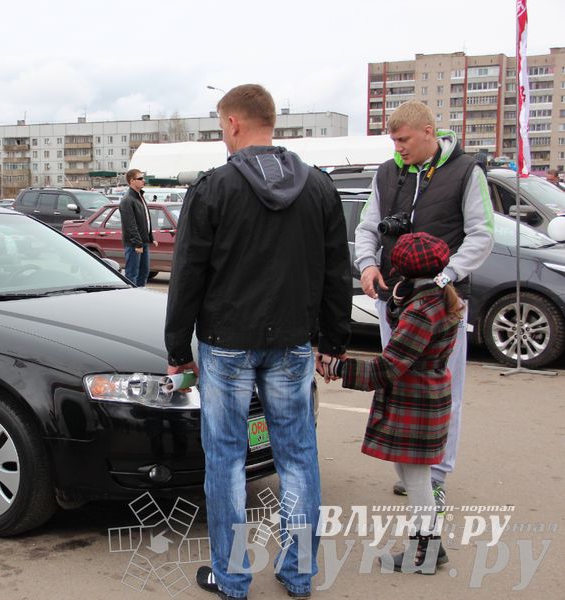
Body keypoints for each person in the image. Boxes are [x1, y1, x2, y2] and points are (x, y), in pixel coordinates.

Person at [164, 84, 351, 600]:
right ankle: (298, 574)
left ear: (234, 124)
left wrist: (178, 350)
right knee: (297, 456)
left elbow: (187, 276)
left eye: (221, 125)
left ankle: (231, 578)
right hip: (292, 343)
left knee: (225, 459)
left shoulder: (213, 188)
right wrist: (334, 340)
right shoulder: (318, 187)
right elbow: (338, 271)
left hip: (227, 344)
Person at [354, 100, 493, 507]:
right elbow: (367, 227)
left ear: (430, 132)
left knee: (441, 388)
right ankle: (410, 470)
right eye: (393, 140)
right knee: (398, 384)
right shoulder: (387, 172)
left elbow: (481, 236)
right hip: (393, 297)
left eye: (404, 139)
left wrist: (444, 276)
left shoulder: (467, 172)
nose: (398, 148)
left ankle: (436, 475)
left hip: (442, 301)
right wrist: (366, 266)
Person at [320, 232, 461, 574]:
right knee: (412, 473)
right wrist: (400, 301)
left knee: (415, 477)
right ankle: (431, 546)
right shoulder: (437, 296)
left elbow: (388, 367)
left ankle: (425, 551)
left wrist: (338, 367)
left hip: (416, 400)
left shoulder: (421, 311)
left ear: (401, 267)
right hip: (426, 395)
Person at [119, 169, 157, 286]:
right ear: (131, 181)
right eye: (140, 179)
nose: (143, 181)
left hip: (143, 242)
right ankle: (131, 298)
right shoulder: (127, 200)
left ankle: (141, 296)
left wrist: (151, 237)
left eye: (143, 178)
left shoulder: (140, 196)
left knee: (144, 272)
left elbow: (145, 219)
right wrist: (137, 244)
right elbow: (130, 225)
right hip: (134, 244)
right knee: (132, 274)